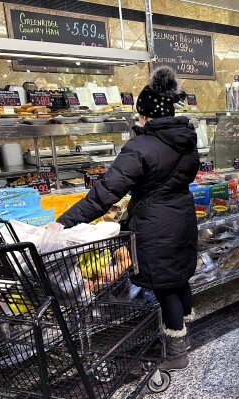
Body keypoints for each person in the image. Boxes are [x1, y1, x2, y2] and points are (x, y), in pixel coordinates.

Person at [56, 66, 200, 370]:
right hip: (182, 218)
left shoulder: (140, 146)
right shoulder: (187, 139)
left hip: (155, 225)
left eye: (139, 116)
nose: (137, 121)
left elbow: (106, 193)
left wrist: (63, 222)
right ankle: (185, 338)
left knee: (165, 287)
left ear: (146, 116)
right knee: (179, 278)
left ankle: (176, 354)